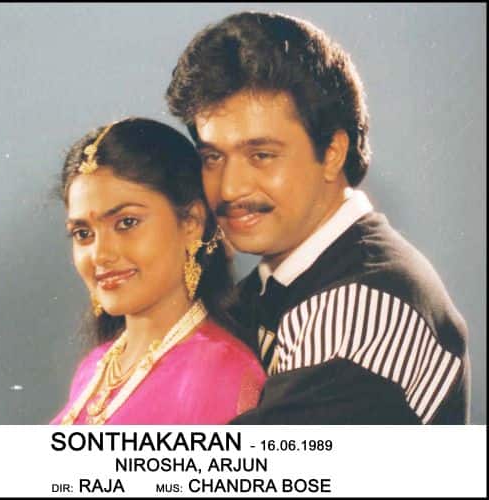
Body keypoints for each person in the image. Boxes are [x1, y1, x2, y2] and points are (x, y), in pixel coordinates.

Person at [166, 12, 470, 424]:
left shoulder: (362, 310)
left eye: (261, 155)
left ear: (332, 153)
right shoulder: (271, 288)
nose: (231, 188)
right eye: (213, 158)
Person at [50, 117, 265, 425]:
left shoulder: (218, 372)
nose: (100, 254)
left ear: (191, 222)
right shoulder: (95, 367)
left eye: (126, 223)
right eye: (83, 234)